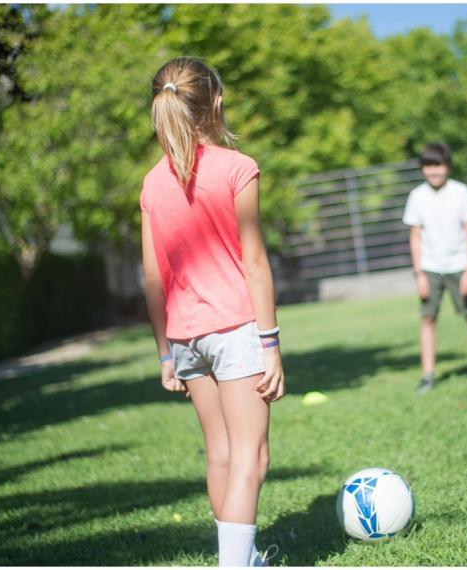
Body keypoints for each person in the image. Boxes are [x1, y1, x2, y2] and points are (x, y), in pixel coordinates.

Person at [140, 56, 284, 567]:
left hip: (184, 340)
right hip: (236, 330)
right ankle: (236, 564)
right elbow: (255, 262)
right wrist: (270, 344)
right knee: (252, 456)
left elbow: (153, 277)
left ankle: (240, 558)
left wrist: (164, 356)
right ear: (216, 102)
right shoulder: (238, 168)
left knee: (220, 452)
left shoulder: (151, 184)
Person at [402, 142, 467, 394]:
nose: (433, 171)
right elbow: (415, 236)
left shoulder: (461, 192)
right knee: (428, 319)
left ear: (447, 166)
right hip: (430, 267)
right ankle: (427, 375)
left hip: (459, 266)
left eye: (438, 166)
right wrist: (419, 274)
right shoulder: (417, 196)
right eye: (428, 166)